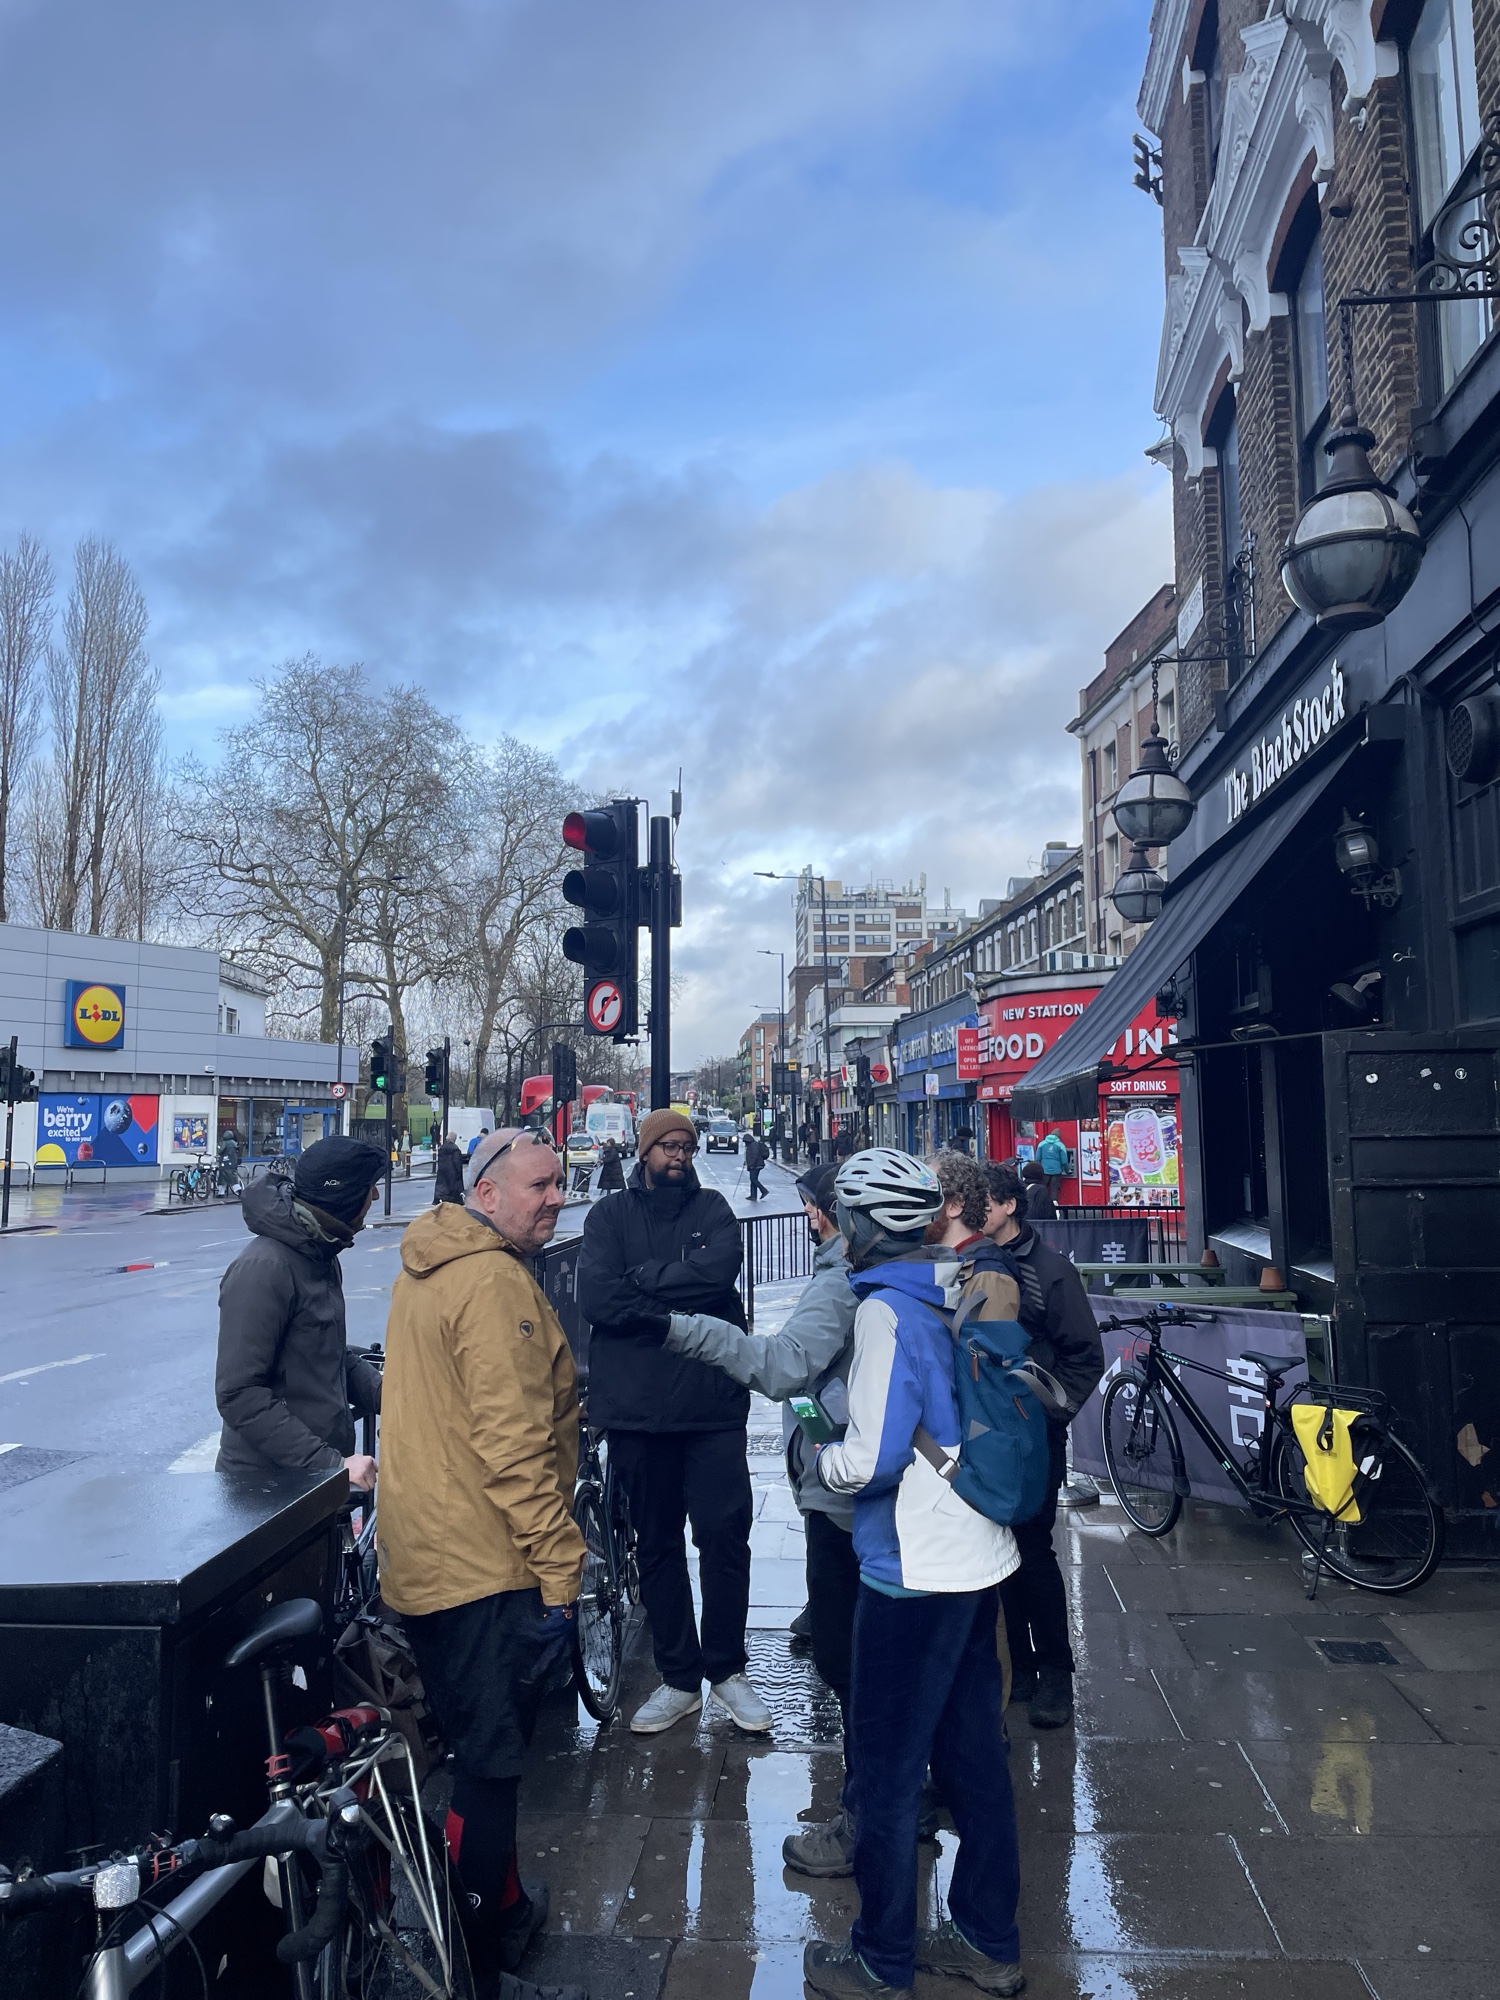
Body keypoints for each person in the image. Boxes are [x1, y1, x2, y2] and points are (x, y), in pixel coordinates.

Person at [805, 1148, 1024, 2000]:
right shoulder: (951, 1285)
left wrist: (823, 1459)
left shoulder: (883, 1311)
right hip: (975, 1550)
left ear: (863, 1225)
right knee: (974, 1760)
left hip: (912, 1567)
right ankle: (987, 1939)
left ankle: (880, 1960)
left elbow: (874, 1457)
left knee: (889, 1771)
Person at [377, 1130, 588, 1997]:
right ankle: (475, 1968)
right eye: (540, 1185)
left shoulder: (427, 1263)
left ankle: (504, 1910)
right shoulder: (494, 1282)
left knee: (474, 1749)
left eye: (560, 1183)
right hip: (485, 1566)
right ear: (488, 1194)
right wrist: (562, 1570)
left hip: (429, 1555)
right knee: (490, 1770)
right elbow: (516, 1447)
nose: (557, 1198)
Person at [658, 1163, 861, 1874]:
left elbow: (782, 1367)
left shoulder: (841, 1282)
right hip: (837, 1483)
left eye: (812, 1208)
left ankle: (870, 1812)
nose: (805, 1219)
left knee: (847, 1658)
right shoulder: (853, 1274)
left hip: (843, 1492)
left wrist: (682, 1329)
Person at [576, 1108, 771, 1735]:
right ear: (645, 1152)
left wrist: (643, 1284)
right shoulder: (609, 1215)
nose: (679, 1155)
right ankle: (681, 1677)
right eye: (667, 1146)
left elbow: (718, 1274)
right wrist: (678, 1290)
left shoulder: (713, 1208)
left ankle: (728, 1670)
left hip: (712, 1406)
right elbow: (598, 1297)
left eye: (686, 1145)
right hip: (637, 1412)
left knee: (725, 1538)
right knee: (656, 1543)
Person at [982, 1161, 1106, 1731]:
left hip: (1034, 1431)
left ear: (1010, 1205)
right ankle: (1022, 1666)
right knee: (998, 1549)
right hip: (987, 1432)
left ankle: (1056, 1670)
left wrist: (1051, 1412)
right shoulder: (973, 1263)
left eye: (984, 1202)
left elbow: (1084, 1355)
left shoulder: (1051, 1271)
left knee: (1033, 1549)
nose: (972, 1211)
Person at [214, 1137, 387, 1488]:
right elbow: (239, 1393)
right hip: (267, 1492)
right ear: (345, 1194)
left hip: (309, 1482)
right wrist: (329, 1464)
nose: (376, 1196)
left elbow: (326, 1355)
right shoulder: (266, 1267)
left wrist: (392, 1397)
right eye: (369, 1187)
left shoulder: (318, 1253)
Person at [1036, 1128, 1070, 1201]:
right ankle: (1055, 1206)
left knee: (1043, 1190)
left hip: (1044, 1171)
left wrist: (1039, 1171)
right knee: (1054, 1191)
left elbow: (1037, 1159)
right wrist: (1067, 1171)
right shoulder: (1060, 1145)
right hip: (1056, 1172)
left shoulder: (1041, 1144)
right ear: (1059, 1137)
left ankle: (1043, 1205)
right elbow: (1064, 1162)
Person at [433, 1130, 466, 1205]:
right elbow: (458, 1165)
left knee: (442, 1187)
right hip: (453, 1176)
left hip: (442, 1174)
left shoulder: (441, 1149)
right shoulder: (455, 1150)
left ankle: (439, 1198)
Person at [744, 1128, 769, 1200]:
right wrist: (747, 1162)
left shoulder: (753, 1145)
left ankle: (764, 1190)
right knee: (753, 1180)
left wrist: (751, 1165)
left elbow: (754, 1156)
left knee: (753, 1179)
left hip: (756, 1165)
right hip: (755, 1164)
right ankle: (753, 1195)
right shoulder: (751, 1145)